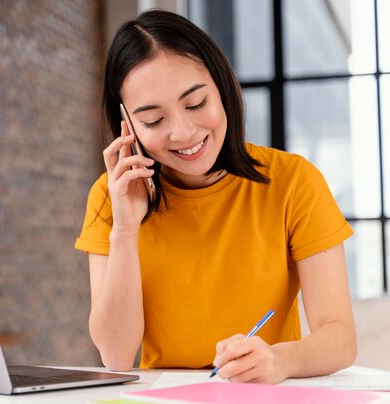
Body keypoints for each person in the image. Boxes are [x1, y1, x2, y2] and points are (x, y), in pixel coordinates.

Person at [74, 9, 356, 384]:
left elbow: (340, 337)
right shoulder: (113, 196)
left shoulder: (293, 182)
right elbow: (117, 355)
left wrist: (280, 360)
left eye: (195, 104)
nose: (183, 133)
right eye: (154, 121)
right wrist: (126, 228)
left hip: (263, 393)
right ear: (128, 127)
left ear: (222, 87)